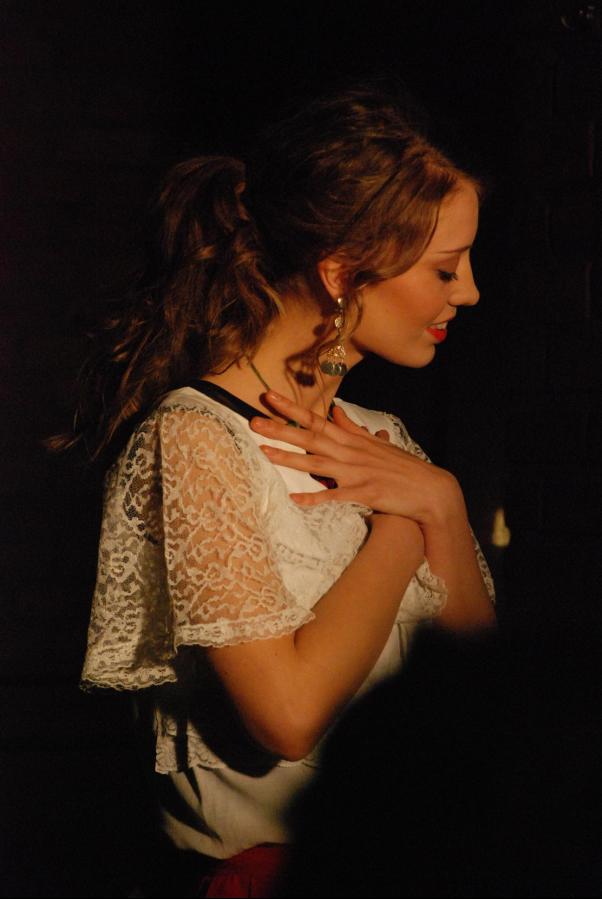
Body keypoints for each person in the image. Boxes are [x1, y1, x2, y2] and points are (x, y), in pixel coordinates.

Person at [56, 84, 497, 897]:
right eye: (445, 268)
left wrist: (442, 498)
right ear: (342, 275)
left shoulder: (393, 446)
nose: (467, 291)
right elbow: (288, 716)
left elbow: (484, 706)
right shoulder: (196, 436)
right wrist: (404, 525)